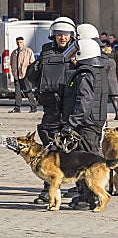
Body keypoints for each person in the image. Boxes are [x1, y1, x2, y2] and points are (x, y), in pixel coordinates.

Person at [27, 16, 76, 204]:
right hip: (51, 107)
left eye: (65, 34)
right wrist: (35, 66)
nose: (62, 38)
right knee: (49, 147)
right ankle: (48, 189)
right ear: (53, 35)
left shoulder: (77, 52)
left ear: (72, 35)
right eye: (59, 34)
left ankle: (80, 188)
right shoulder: (46, 51)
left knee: (72, 149)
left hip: (70, 107)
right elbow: (33, 76)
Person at [62, 38, 108, 210]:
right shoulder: (98, 70)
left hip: (86, 124)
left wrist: (71, 123)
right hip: (93, 122)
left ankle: (88, 199)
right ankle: (84, 195)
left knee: (86, 161)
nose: (73, 58)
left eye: (76, 54)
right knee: (88, 158)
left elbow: (84, 102)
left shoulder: (85, 73)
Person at [9, 36, 38, 113]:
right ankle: (17, 108)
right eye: (18, 42)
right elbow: (11, 63)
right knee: (17, 93)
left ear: (23, 42)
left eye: (20, 42)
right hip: (17, 75)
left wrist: (29, 73)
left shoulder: (28, 51)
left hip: (25, 75)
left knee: (28, 91)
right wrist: (13, 72)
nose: (19, 44)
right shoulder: (14, 53)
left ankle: (33, 107)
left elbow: (32, 63)